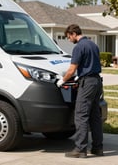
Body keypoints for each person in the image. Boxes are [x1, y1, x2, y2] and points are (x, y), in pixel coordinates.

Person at [57, 24, 104, 158]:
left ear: (73, 34)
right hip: (97, 81)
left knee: (81, 115)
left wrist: (62, 81)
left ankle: (80, 149)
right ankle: (97, 148)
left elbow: (71, 69)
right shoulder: (93, 45)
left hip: (87, 83)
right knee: (95, 116)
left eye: (68, 37)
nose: (69, 40)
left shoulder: (79, 47)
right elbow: (91, 64)